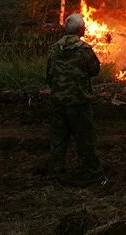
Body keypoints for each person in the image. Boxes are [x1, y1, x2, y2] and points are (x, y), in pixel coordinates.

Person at [47, 13, 106, 186]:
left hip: (59, 103)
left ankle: (54, 177)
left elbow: (49, 74)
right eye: (84, 26)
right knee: (86, 141)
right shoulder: (84, 49)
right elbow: (94, 70)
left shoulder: (54, 49)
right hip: (79, 104)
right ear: (80, 29)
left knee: (58, 141)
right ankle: (94, 176)